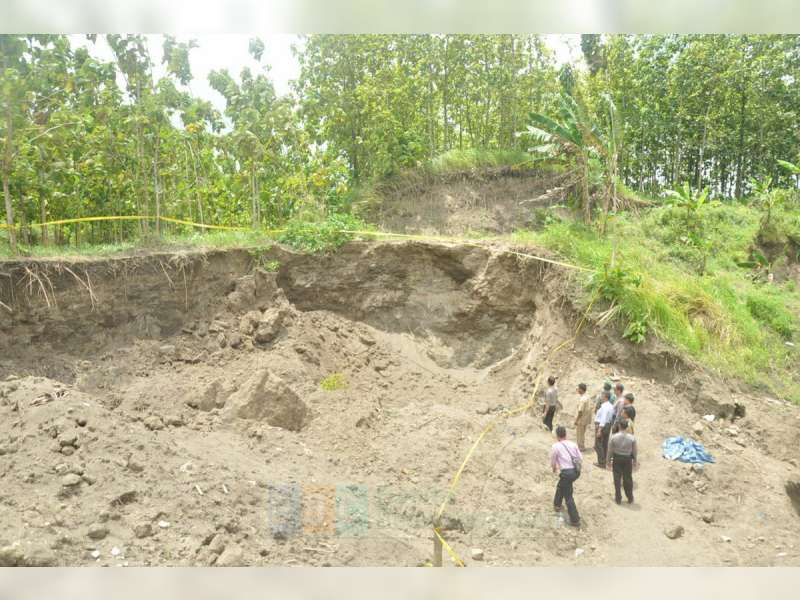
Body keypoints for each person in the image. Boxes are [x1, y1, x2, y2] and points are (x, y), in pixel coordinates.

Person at [549, 425, 582, 527]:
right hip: (576, 472)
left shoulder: (555, 446)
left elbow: (553, 460)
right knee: (561, 486)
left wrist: (554, 468)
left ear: (557, 435)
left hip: (567, 473)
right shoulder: (573, 444)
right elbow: (580, 458)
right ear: (565, 434)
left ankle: (575, 519)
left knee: (568, 496)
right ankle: (557, 504)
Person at [607, 419, 637, 504]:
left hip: (617, 458)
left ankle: (618, 498)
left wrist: (608, 461)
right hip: (627, 459)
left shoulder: (613, 437)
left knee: (617, 478)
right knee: (628, 478)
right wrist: (635, 460)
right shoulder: (632, 438)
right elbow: (635, 451)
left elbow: (610, 450)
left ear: (619, 426)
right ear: (627, 427)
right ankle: (630, 497)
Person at [594, 391, 615, 468]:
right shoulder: (610, 406)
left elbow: (603, 418)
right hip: (608, 425)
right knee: (604, 444)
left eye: (602, 396)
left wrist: (599, 429)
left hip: (602, 426)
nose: (601, 397)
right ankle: (605, 460)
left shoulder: (604, 407)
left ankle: (601, 463)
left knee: (598, 444)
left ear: (605, 397)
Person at [573, 383, 594, 450]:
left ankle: (580, 447)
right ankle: (582, 446)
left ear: (581, 390)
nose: (577, 390)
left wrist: (576, 420)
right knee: (582, 433)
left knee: (579, 434)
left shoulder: (583, 399)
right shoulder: (587, 396)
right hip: (586, 418)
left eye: (578, 389)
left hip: (581, 419)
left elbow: (580, 411)